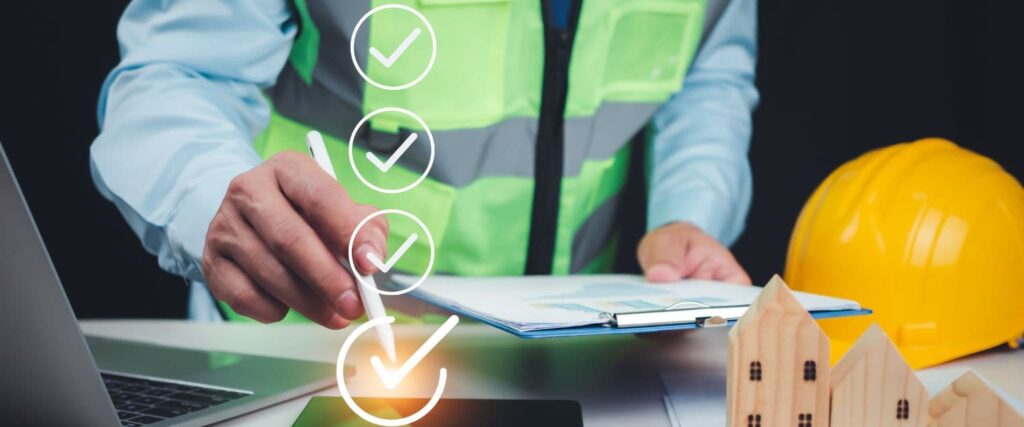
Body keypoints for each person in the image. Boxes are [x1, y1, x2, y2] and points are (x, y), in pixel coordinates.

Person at [91, 0, 759, 328]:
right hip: (307, 362)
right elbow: (172, 74)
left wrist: (691, 213)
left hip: (576, 373)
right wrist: (211, 194)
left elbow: (706, 71)